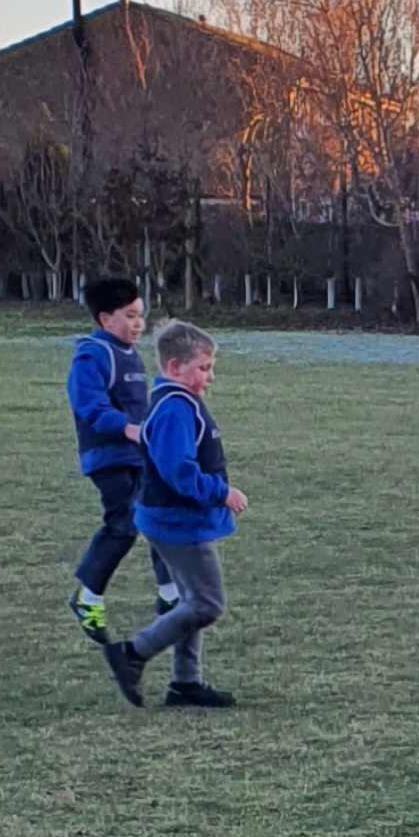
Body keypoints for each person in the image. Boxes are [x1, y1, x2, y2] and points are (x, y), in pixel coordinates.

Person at [102, 320, 248, 708]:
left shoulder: (178, 402)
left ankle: (185, 684)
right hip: (176, 522)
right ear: (173, 366)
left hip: (175, 519)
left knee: (191, 600)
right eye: (203, 368)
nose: (210, 376)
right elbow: (178, 471)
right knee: (207, 603)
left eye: (210, 367)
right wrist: (222, 493)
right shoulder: (174, 409)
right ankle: (132, 653)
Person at [67, 276, 177, 645]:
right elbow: (91, 407)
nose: (138, 324)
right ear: (104, 319)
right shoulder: (91, 355)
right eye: (129, 315)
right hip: (108, 456)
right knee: (124, 524)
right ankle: (88, 598)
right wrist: (127, 428)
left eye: (141, 315)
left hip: (137, 453)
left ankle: (170, 593)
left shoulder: (129, 353)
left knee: (161, 512)